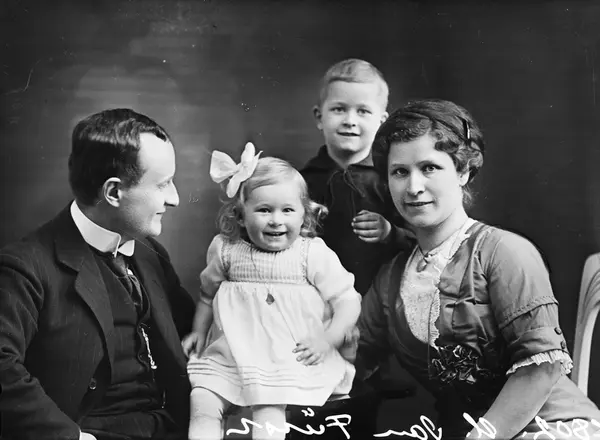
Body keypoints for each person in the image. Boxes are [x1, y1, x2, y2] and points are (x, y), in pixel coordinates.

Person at [357, 99, 600, 439]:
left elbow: (542, 368)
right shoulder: (391, 278)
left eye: (429, 168)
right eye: (400, 172)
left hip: (550, 429)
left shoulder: (505, 251)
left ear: (463, 171)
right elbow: (352, 356)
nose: (413, 187)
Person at [0, 108, 195, 440]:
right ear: (113, 192)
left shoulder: (150, 254)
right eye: (163, 184)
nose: (174, 198)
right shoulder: (24, 267)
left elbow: (193, 333)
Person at [183, 144, 361, 440]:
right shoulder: (225, 250)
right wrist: (199, 331)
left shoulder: (311, 254)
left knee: (268, 413)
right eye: (264, 210)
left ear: (304, 215)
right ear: (241, 216)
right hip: (230, 354)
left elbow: (347, 301)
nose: (276, 220)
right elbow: (207, 294)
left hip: (282, 358)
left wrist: (327, 339)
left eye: (287, 210)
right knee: (202, 401)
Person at [301, 58, 413, 296]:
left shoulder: (392, 179)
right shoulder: (301, 181)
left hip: (378, 298)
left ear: (381, 122)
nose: (350, 121)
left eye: (363, 111)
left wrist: (389, 232)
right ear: (319, 117)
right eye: (339, 109)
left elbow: (418, 239)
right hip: (314, 298)